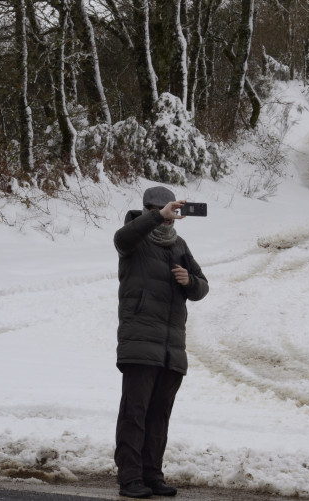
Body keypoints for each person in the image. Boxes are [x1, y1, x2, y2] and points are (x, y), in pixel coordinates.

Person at [113, 186, 209, 498]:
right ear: (150, 209)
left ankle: (152, 475)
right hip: (140, 341)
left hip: (172, 347)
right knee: (135, 413)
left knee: (159, 416)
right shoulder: (134, 238)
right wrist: (156, 218)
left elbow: (202, 287)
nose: (170, 217)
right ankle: (130, 478)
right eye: (163, 210)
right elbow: (121, 240)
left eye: (172, 212)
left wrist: (190, 281)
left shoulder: (179, 244)